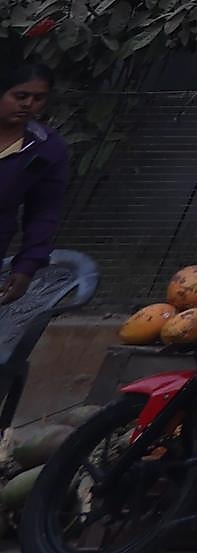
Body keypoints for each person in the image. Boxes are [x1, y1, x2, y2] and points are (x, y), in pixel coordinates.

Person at [0, 57, 94, 431]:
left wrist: (27, 266)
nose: (28, 105)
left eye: (38, 98)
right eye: (20, 95)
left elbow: (43, 213)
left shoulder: (45, 149)